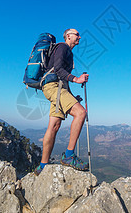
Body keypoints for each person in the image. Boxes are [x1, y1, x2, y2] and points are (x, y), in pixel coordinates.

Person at [34, 28, 90, 175]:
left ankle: (42, 166)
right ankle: (69, 155)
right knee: (80, 113)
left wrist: (72, 97)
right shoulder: (62, 47)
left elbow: (62, 79)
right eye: (76, 34)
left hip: (56, 88)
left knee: (54, 126)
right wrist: (77, 79)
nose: (79, 36)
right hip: (53, 87)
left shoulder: (67, 52)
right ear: (68, 36)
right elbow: (58, 70)